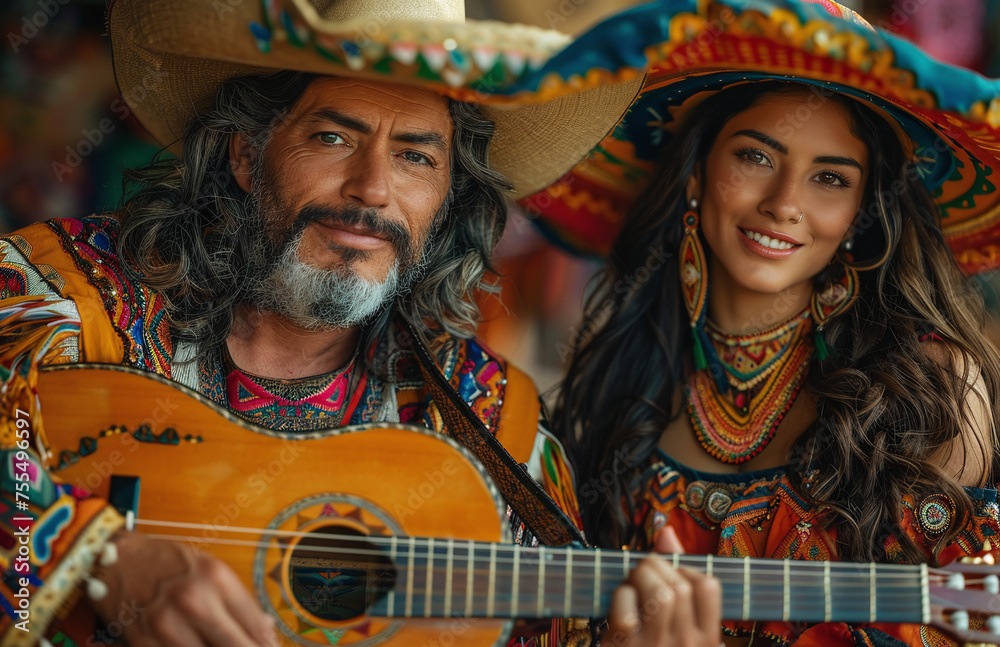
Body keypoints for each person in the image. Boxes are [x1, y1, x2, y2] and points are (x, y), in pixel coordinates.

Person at [0, 0, 688, 645]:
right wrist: (93, 550)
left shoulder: (491, 431)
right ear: (245, 154)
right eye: (332, 136)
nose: (372, 188)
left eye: (415, 156)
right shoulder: (59, 304)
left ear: (447, 198)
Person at [521, 0, 1000, 645]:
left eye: (830, 177)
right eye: (755, 157)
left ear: (864, 210)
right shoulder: (618, 379)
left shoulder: (934, 393)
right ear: (697, 171)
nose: (784, 205)